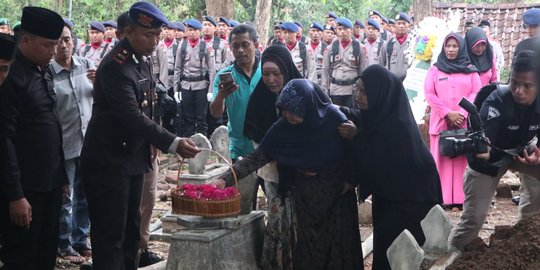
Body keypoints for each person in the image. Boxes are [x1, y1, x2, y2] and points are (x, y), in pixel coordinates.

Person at [80, 2, 200, 269]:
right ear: (128, 32)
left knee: (131, 231)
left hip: (132, 158)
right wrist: (173, 141)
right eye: (149, 35)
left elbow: (151, 104)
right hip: (109, 162)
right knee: (111, 234)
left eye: (157, 35)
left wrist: (153, 143)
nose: (155, 41)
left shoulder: (140, 60)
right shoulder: (115, 66)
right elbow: (131, 116)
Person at [224, 78, 363, 269]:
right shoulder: (283, 128)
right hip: (308, 202)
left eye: (293, 110)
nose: (288, 115)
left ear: (308, 104)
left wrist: (351, 179)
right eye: (284, 109)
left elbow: (354, 151)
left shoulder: (333, 118)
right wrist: (224, 180)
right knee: (310, 251)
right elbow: (257, 158)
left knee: (339, 253)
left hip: (338, 198)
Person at [346, 64, 442, 270]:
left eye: (365, 91)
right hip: (391, 199)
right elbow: (359, 120)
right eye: (358, 89)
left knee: (400, 254)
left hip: (411, 202)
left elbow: (379, 161)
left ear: (380, 94)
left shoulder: (398, 130)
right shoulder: (380, 115)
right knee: (385, 249)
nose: (358, 96)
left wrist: (356, 138)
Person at [449, 50, 540, 252]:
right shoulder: (495, 101)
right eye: (514, 83)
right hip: (489, 159)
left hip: (521, 151)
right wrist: (483, 150)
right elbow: (483, 145)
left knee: (536, 202)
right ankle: (453, 255)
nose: (519, 90)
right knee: (473, 218)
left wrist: (538, 153)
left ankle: (526, 234)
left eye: (527, 86)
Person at [0, 7, 67, 269]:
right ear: (25, 41)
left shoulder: (42, 71)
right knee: (22, 257)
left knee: (46, 252)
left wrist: (60, 176)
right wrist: (15, 195)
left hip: (48, 184)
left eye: (56, 43)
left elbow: (51, 126)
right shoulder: (10, 77)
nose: (53, 50)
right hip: (25, 188)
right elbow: (5, 139)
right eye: (47, 44)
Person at [243, 45, 302, 269]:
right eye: (265, 73)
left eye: (276, 73)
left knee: (298, 220)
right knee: (278, 219)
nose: (270, 79)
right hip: (272, 171)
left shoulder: (302, 92)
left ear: (287, 70)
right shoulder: (259, 98)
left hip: (301, 172)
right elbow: (256, 136)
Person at [51, 23, 96, 265]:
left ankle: (81, 239)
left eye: (67, 40)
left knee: (85, 195)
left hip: (87, 143)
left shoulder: (86, 66)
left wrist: (100, 84)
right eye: (58, 41)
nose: (64, 45)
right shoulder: (48, 73)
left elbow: (97, 100)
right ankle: (64, 243)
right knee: (65, 198)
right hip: (64, 145)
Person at [424, 33, 482, 208]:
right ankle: (441, 198)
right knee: (440, 160)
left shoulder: (471, 70)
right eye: (448, 46)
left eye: (454, 46)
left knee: (461, 160)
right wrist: (447, 112)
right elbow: (429, 93)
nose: (450, 49)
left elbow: (477, 93)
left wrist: (462, 113)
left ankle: (460, 198)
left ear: (461, 48)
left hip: (463, 125)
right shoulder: (435, 70)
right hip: (441, 123)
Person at [210, 23, 261, 161]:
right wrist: (221, 96)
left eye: (245, 45)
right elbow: (215, 113)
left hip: (266, 147)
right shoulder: (224, 76)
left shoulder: (268, 73)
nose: (240, 50)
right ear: (230, 48)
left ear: (256, 44)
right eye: (235, 46)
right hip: (238, 149)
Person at [173, 18, 215, 137]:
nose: (192, 32)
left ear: (199, 31)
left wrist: (211, 90)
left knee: (201, 118)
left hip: (201, 86)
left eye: (195, 30)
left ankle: (203, 145)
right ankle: (188, 143)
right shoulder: (182, 46)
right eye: (190, 30)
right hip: (186, 86)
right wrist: (176, 90)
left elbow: (212, 70)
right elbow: (177, 68)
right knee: (188, 118)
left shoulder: (205, 47)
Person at [322, 17, 366, 107]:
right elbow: (325, 70)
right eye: (339, 29)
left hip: (352, 91)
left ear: (351, 30)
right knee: (336, 117)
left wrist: (362, 91)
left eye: (345, 29)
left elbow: (363, 70)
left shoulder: (359, 48)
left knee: (352, 117)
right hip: (335, 90)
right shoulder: (330, 48)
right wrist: (325, 90)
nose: (342, 32)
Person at [379, 12, 414, 81]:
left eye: (404, 23)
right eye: (399, 23)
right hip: (391, 84)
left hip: (407, 85)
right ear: (395, 26)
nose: (401, 26)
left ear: (409, 26)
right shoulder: (387, 44)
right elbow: (381, 66)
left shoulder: (413, 44)